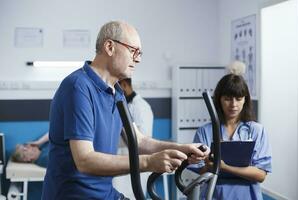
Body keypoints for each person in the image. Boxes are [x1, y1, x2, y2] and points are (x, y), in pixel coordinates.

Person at [42, 20, 209, 200]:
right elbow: (84, 160)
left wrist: (182, 149)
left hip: (105, 194)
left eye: (140, 53)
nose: (138, 59)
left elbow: (138, 141)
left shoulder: (117, 93)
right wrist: (149, 162)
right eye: (133, 51)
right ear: (109, 47)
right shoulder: (78, 86)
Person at [193, 61, 272, 200]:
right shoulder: (205, 131)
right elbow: (200, 171)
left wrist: (224, 167)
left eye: (238, 98)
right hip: (214, 194)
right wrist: (207, 165)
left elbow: (261, 175)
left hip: (248, 195)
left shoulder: (256, 131)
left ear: (245, 100)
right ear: (219, 100)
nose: (233, 104)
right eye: (228, 99)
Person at [115, 78, 154, 198]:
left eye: (118, 88)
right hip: (120, 160)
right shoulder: (123, 104)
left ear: (125, 85)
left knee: (132, 195)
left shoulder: (142, 107)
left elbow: (142, 139)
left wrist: (120, 128)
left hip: (135, 161)